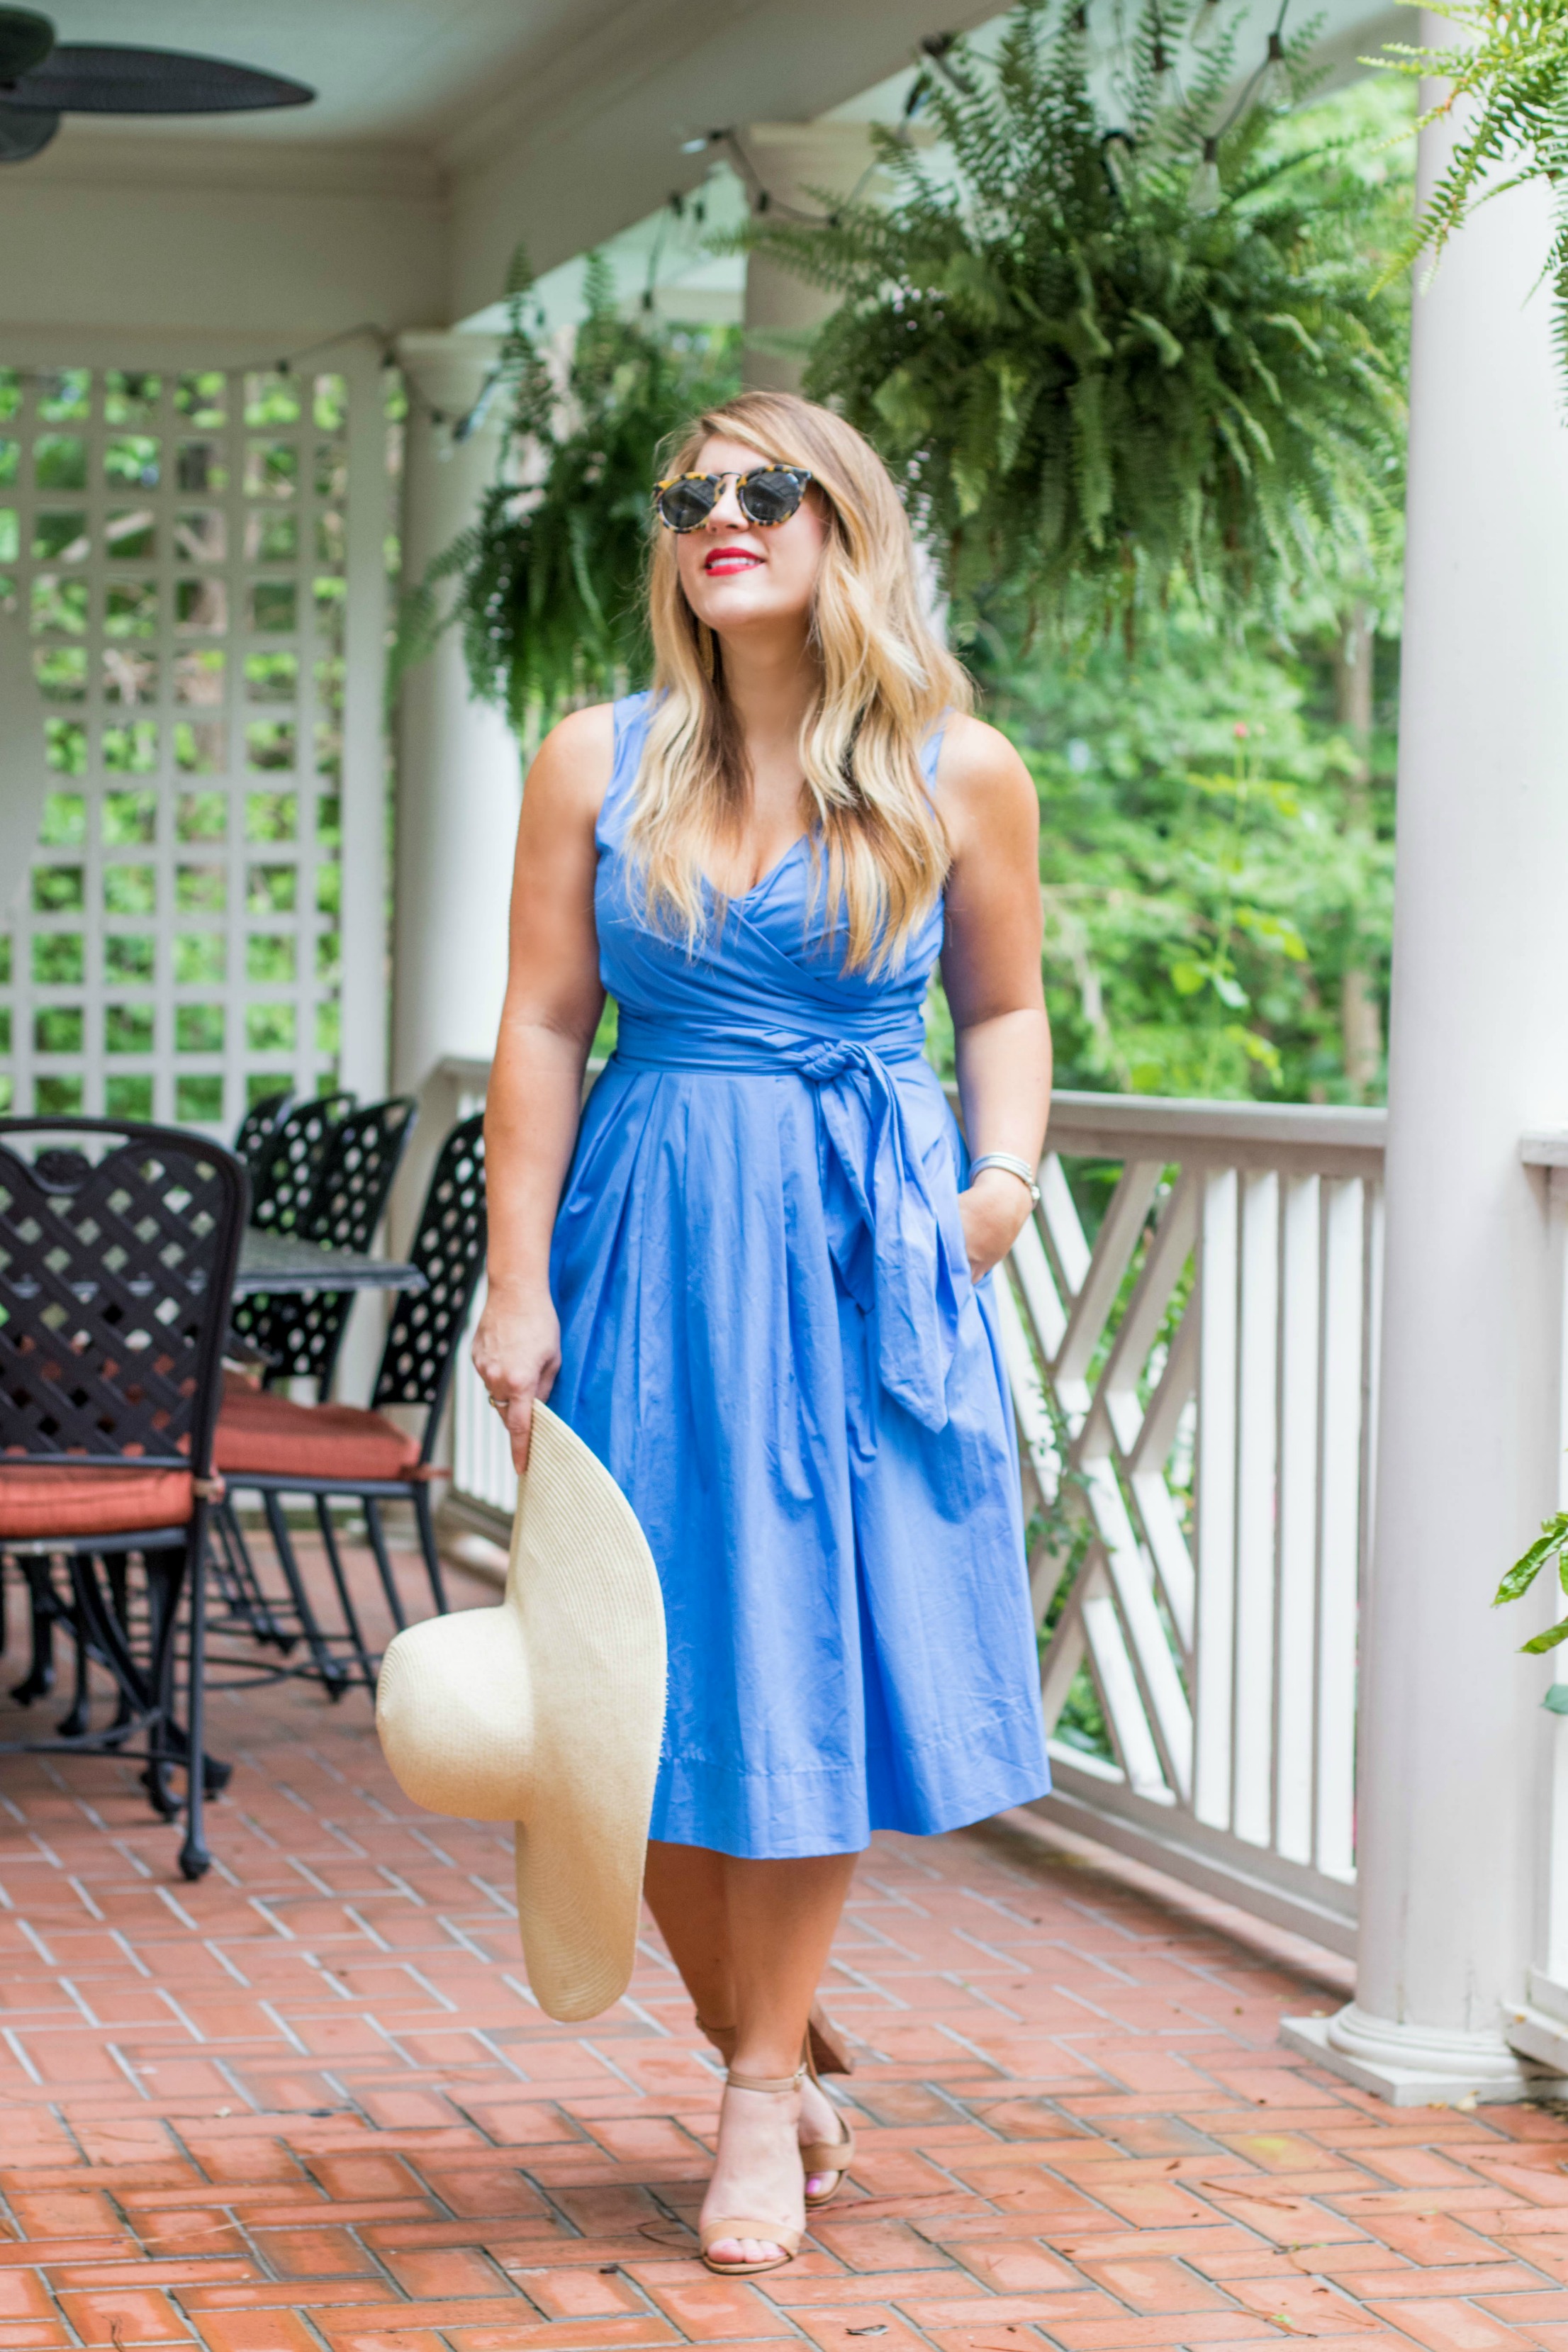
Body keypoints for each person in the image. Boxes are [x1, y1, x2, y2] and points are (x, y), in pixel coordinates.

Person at [474, 391, 1052, 2277]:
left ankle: (739, 2099)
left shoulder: (958, 770)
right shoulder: (590, 757)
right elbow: (546, 1025)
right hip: (644, 1236)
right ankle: (774, 2040)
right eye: (689, 497)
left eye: (763, 489)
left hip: (853, 1252)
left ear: (843, 525)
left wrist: (998, 1186)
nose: (718, 515)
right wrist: (515, 1275)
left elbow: (1003, 1010)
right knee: (608, 1690)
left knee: (800, 1668)